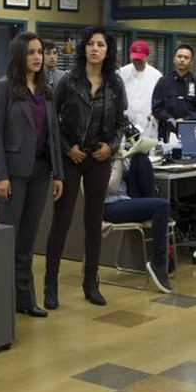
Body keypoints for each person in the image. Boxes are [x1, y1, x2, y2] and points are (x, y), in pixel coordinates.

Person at [45, 26, 127, 309]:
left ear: (108, 50)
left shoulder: (115, 84)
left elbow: (121, 122)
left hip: (99, 158)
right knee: (62, 221)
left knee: (94, 222)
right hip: (72, 157)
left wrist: (111, 146)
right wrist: (68, 147)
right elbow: (52, 120)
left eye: (100, 44)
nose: (95, 49)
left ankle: (91, 283)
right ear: (84, 49)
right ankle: (50, 284)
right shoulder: (68, 81)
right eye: (91, 44)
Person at [0, 31, 64, 318]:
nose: (37, 57)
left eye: (40, 52)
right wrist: (0, 175)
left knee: (28, 239)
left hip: (41, 172)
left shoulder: (46, 90)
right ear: (19, 55)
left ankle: (26, 299)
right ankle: (2, 302)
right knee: (10, 238)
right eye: (31, 52)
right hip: (13, 174)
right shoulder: (4, 88)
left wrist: (58, 174)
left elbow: (53, 134)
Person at [104, 152, 172, 293]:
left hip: (126, 199)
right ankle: (159, 263)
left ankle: (153, 207)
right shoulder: (98, 158)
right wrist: (118, 160)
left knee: (141, 158)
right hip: (109, 206)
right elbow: (112, 187)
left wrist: (126, 157)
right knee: (162, 206)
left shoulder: (114, 155)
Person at [152, 44, 196, 142]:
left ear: (191, 62)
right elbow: (156, 107)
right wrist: (169, 119)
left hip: (192, 130)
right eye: (179, 56)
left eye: (186, 57)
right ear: (174, 59)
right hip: (167, 129)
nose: (182, 60)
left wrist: (185, 120)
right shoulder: (163, 81)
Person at [118, 40, 163, 139]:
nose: (137, 61)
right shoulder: (121, 73)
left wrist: (155, 114)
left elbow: (161, 101)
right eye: (135, 59)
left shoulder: (156, 76)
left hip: (148, 125)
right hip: (126, 124)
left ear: (147, 56)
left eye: (140, 59)